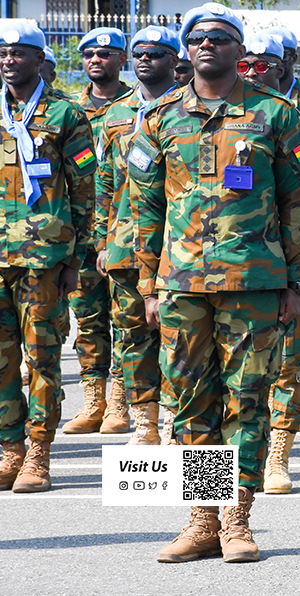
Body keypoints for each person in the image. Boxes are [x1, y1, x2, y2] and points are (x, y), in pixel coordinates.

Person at [130, 3, 300, 563]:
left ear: (241, 51)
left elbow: (299, 202)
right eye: (197, 38)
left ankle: (237, 519)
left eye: (219, 38)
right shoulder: (159, 119)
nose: (206, 45)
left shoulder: (277, 116)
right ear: (186, 51)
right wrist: (147, 284)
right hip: (182, 283)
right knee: (189, 402)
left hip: (255, 279)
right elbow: (142, 204)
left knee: (247, 398)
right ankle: (201, 520)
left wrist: (297, 277)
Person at [237, 32, 300, 493]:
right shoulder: (189, 122)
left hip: (282, 270)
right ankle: (205, 514)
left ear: (283, 67)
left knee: (290, 365)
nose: (252, 73)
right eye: (246, 65)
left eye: (262, 66)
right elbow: (156, 205)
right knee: (205, 386)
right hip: (209, 275)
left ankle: (273, 461)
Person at [0, 20, 96, 493]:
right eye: (3, 52)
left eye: (19, 52)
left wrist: (77, 257)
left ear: (40, 59)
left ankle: (39, 451)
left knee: (42, 357)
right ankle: (9, 448)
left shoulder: (65, 115)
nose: (8, 59)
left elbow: (85, 191)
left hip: (44, 256)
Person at [93, 26, 181, 446]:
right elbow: (105, 184)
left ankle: (174, 427)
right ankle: (145, 425)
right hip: (127, 244)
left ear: (174, 60)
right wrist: (101, 240)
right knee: (132, 335)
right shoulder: (115, 115)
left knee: (184, 343)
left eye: (157, 53)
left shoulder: (190, 109)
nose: (145, 59)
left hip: (182, 247)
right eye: (139, 53)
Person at [62, 27, 133, 437]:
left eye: (105, 53)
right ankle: (95, 399)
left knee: (128, 320)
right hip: (81, 234)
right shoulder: (70, 110)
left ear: (120, 59)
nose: (95, 60)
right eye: (88, 53)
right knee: (88, 319)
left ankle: (123, 403)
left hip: (125, 233)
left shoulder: (138, 108)